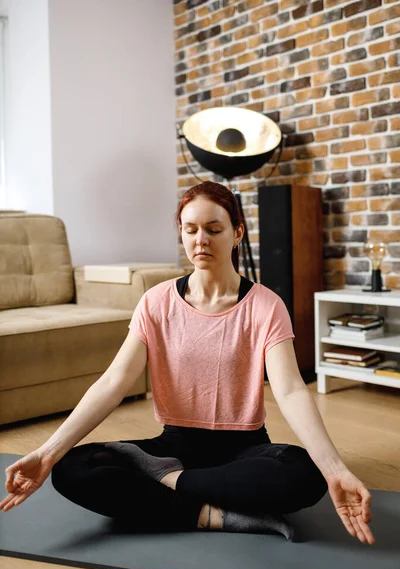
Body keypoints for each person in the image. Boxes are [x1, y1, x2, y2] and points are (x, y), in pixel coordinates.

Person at [0, 181, 375, 545]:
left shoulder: (266, 305)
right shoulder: (156, 301)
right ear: (180, 232)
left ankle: (171, 486)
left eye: (214, 229)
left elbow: (292, 391)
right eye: (190, 229)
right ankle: (214, 515)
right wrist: (47, 453)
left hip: (243, 449)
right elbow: (114, 382)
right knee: (71, 467)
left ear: (237, 232)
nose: (201, 240)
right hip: (173, 446)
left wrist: (335, 469)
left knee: (304, 474)